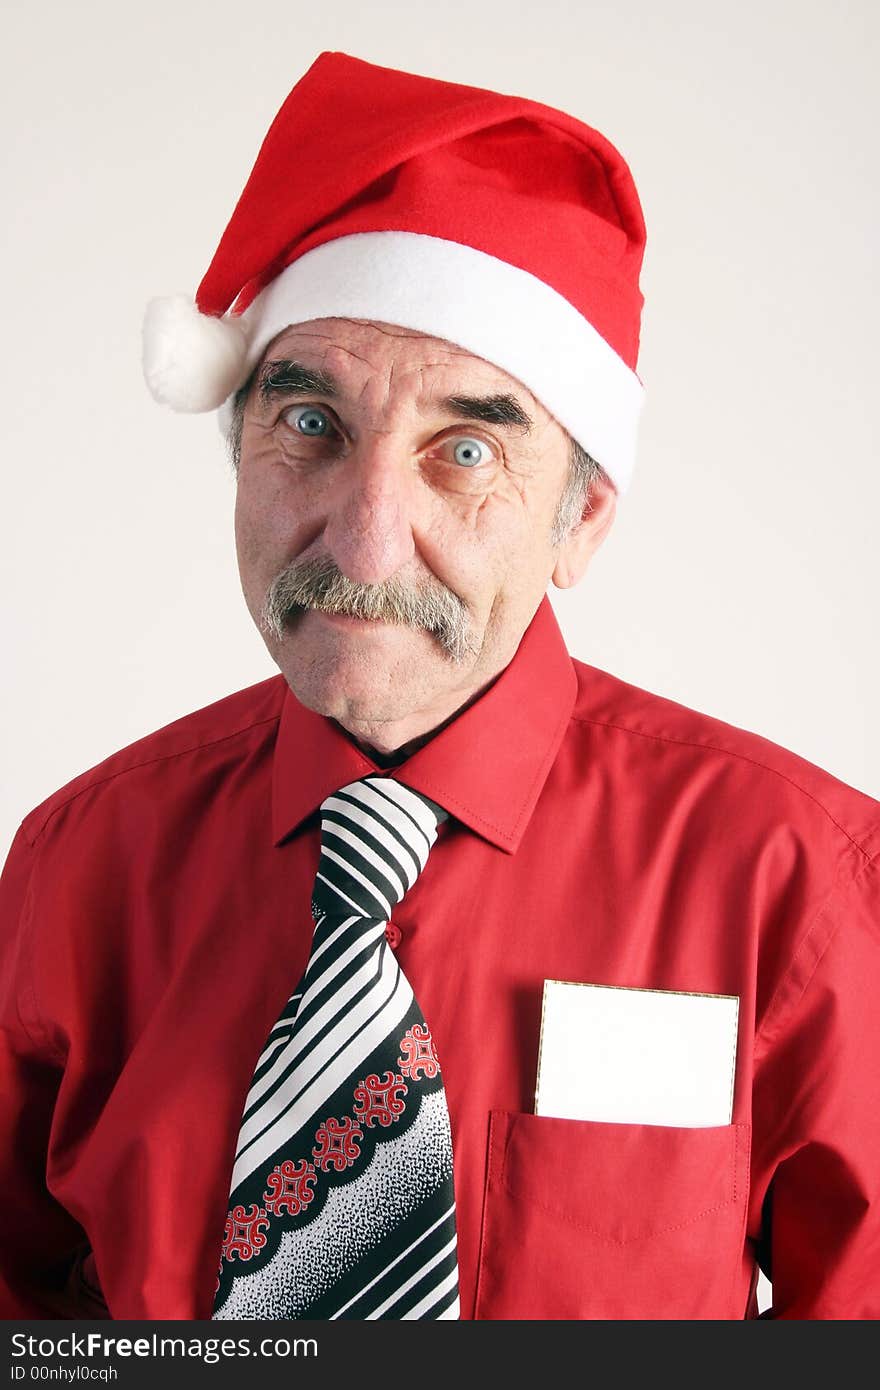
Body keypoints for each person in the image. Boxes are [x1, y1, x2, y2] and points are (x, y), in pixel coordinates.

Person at [1, 49, 878, 1322]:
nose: (362, 543)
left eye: (463, 452)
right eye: (309, 426)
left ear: (580, 521)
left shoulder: (798, 880)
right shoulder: (78, 868)